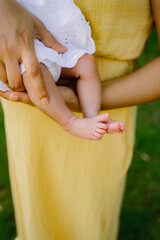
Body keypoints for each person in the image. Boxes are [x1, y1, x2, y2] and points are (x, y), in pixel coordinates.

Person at [0, 0, 157, 239]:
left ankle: (91, 118)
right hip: (30, 57)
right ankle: (71, 122)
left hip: (102, 83)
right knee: (38, 210)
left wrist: (81, 107)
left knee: (87, 219)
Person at [0, 0, 126, 140]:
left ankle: (93, 116)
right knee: (34, 74)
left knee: (86, 62)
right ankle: (70, 123)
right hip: (23, 38)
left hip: (53, 32)